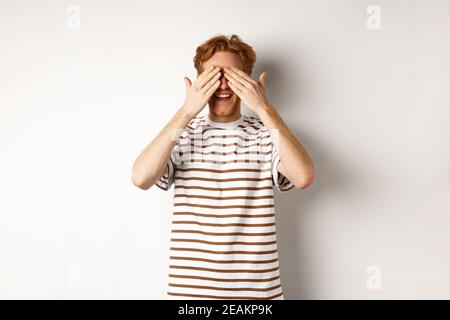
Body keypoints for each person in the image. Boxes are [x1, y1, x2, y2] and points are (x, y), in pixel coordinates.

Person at [132, 34, 315, 300]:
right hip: (191, 299)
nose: (223, 85)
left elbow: (303, 176)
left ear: (248, 82)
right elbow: (141, 177)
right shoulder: (180, 134)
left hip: (258, 299)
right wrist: (186, 111)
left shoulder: (268, 134)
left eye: (233, 76)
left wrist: (264, 108)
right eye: (213, 76)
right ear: (198, 83)